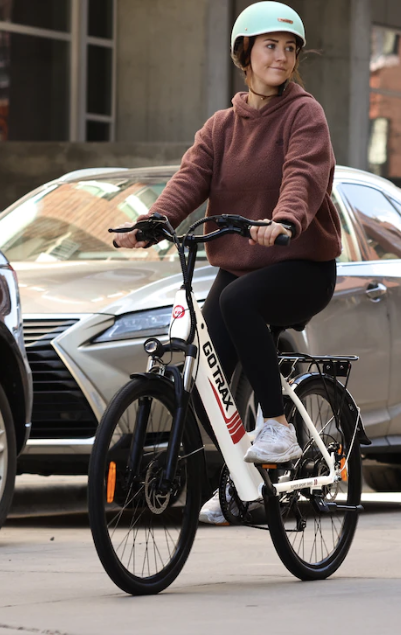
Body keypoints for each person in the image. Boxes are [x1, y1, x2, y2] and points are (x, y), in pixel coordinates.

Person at [111, 1, 341, 525]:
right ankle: (242, 482)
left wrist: (283, 221)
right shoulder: (221, 126)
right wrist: (150, 225)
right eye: (269, 46)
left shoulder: (304, 114)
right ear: (245, 54)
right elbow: (190, 180)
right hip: (241, 264)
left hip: (300, 263)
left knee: (240, 302)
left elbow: (302, 175)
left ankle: (279, 425)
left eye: (289, 49)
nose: (281, 57)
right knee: (204, 373)